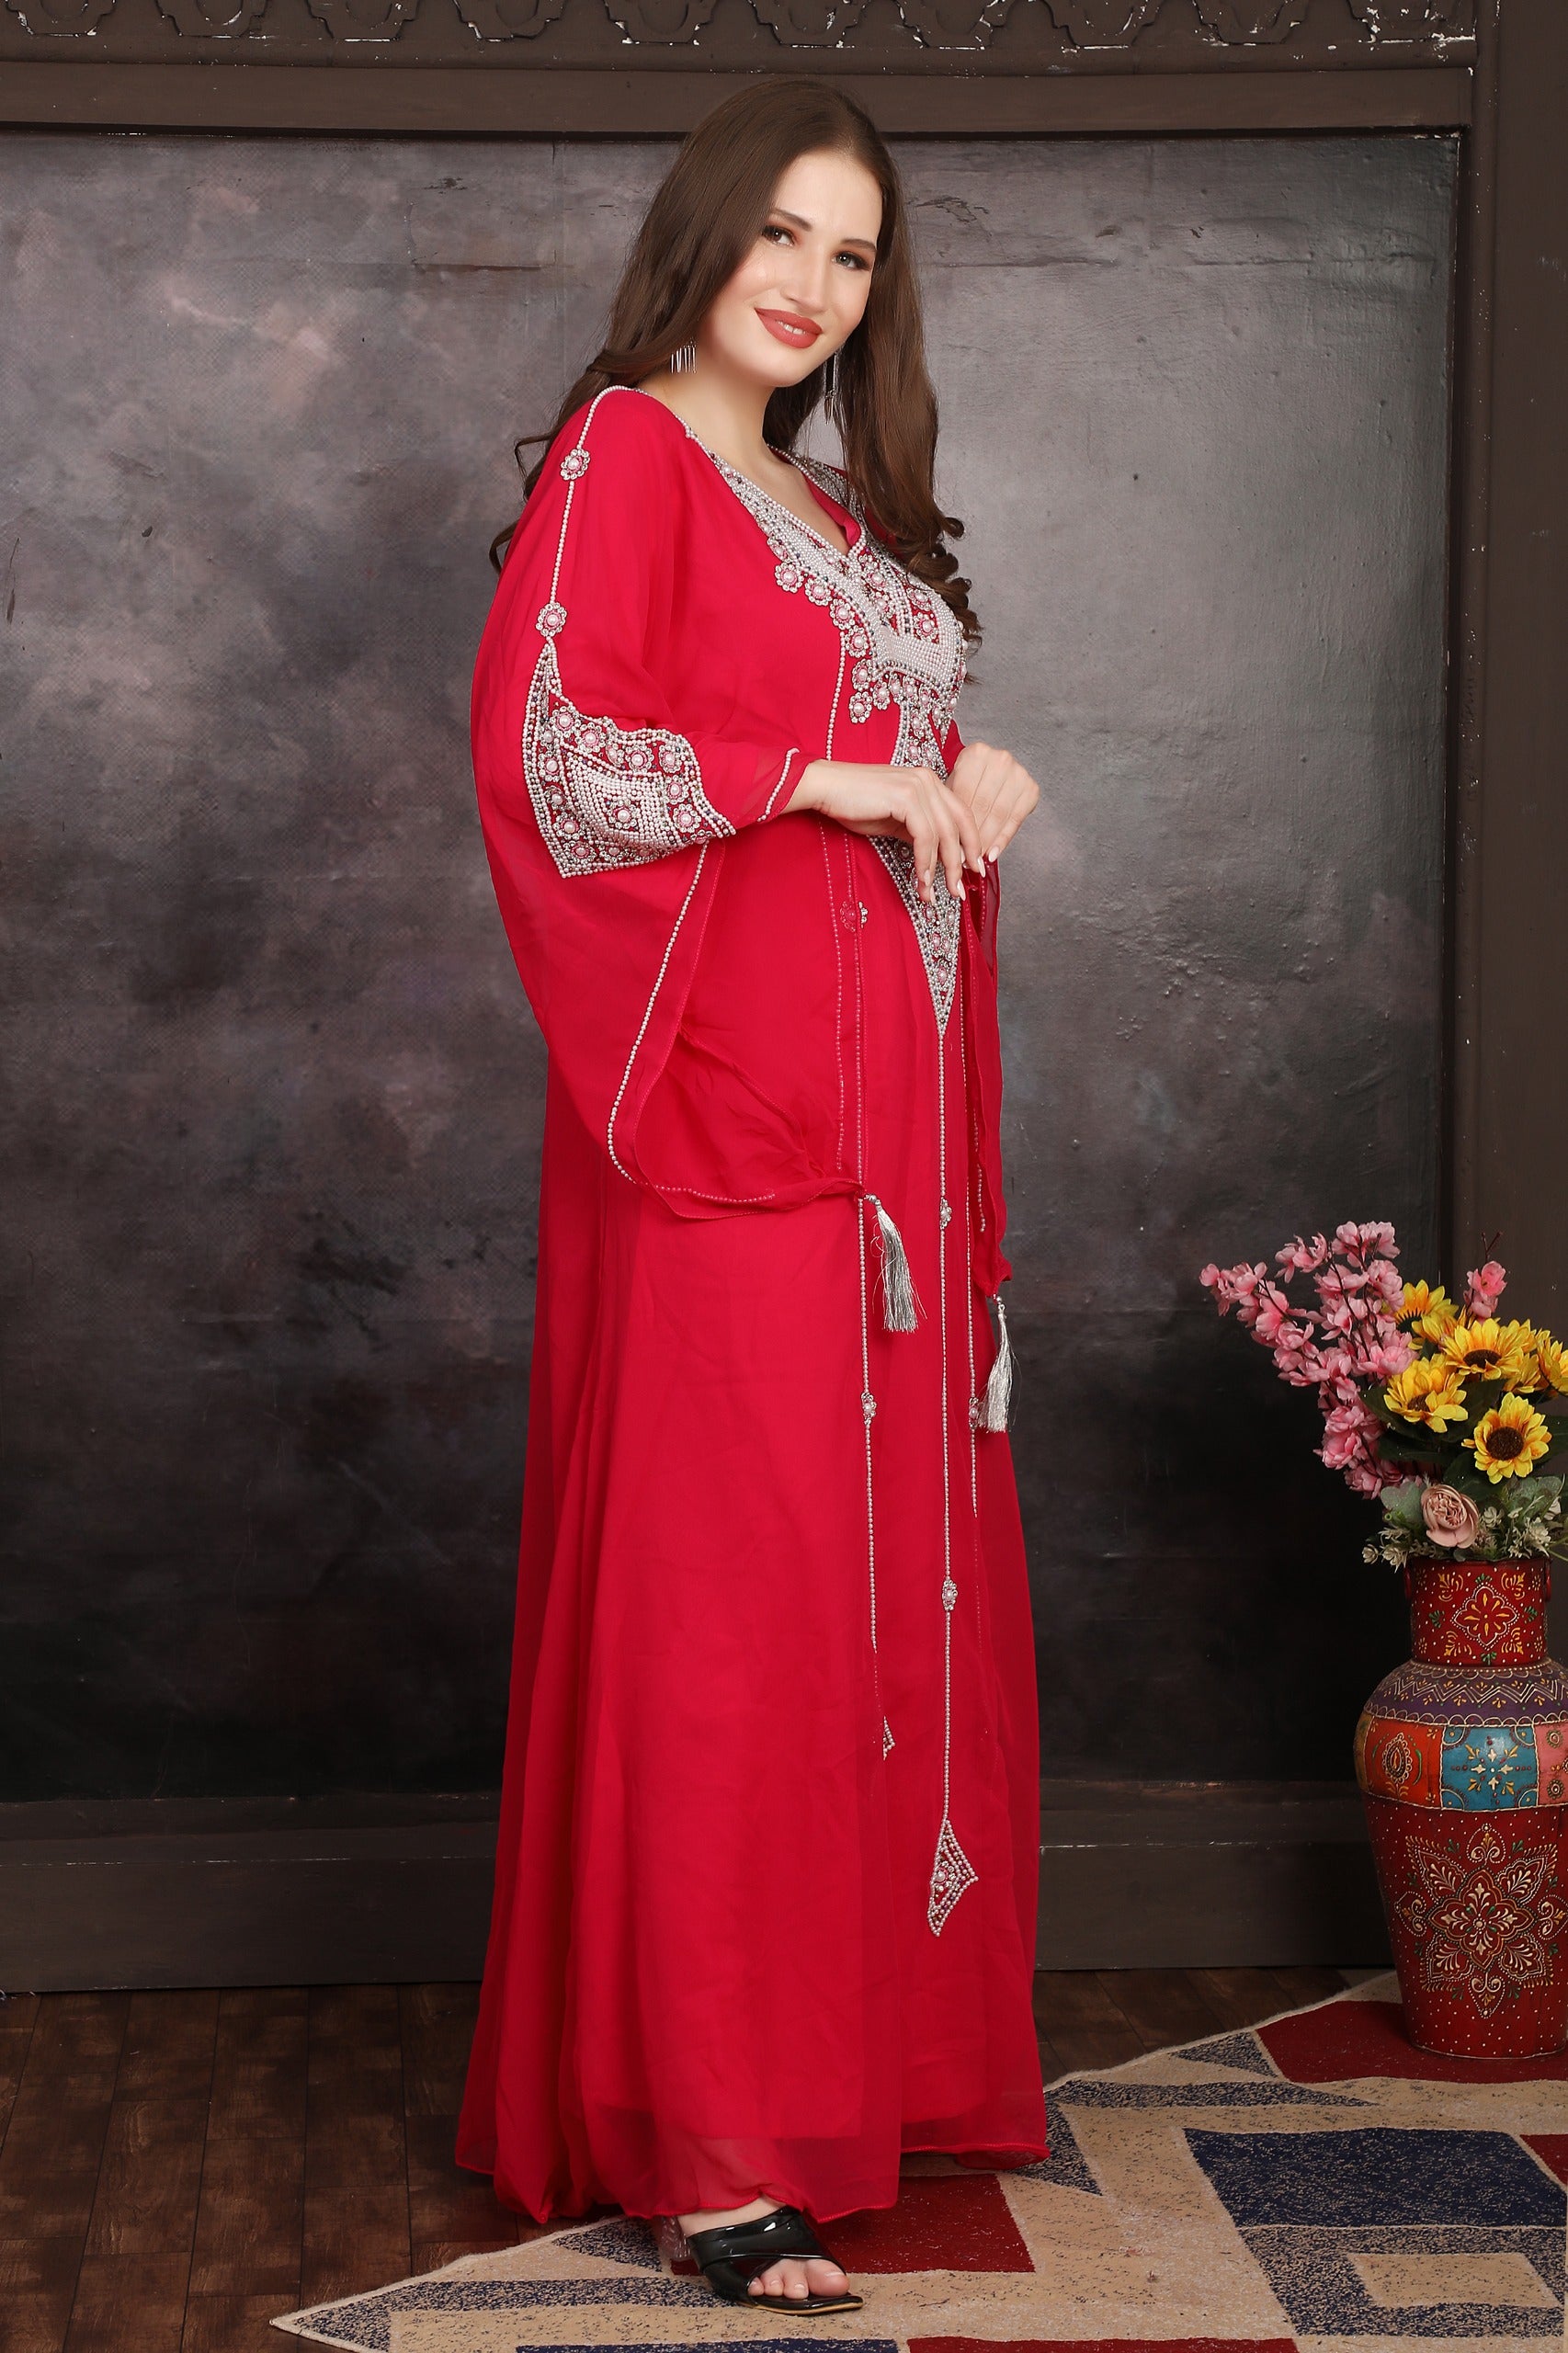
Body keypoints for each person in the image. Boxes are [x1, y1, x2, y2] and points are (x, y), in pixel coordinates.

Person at [456, 75, 1047, 2315]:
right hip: (723, 1127)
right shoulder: (629, 454)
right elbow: (552, 753)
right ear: (700, 237)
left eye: (854, 254)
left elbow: (880, 802)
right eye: (778, 235)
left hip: (877, 1140)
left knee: (857, 1595)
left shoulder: (820, 509)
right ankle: (714, 2148)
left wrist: (958, 786)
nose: (806, 287)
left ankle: (845, 2080)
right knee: (730, 1612)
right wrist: (831, 770)